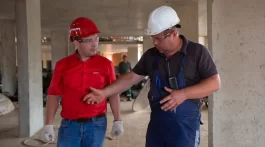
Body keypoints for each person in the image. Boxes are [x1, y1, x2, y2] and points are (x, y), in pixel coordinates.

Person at [84, 6, 221, 147]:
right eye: (152, 38)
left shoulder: (197, 52)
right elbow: (131, 78)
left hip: (185, 126)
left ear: (174, 33)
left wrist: (184, 94)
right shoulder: (151, 55)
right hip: (157, 124)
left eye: (158, 38)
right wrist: (104, 92)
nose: (154, 42)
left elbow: (214, 83)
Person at [40, 17, 124, 147]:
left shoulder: (106, 64)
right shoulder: (62, 65)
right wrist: (48, 124)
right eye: (89, 40)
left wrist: (118, 120)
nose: (95, 44)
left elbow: (113, 93)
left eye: (96, 38)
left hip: (96, 125)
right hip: (69, 126)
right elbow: (54, 95)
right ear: (76, 42)